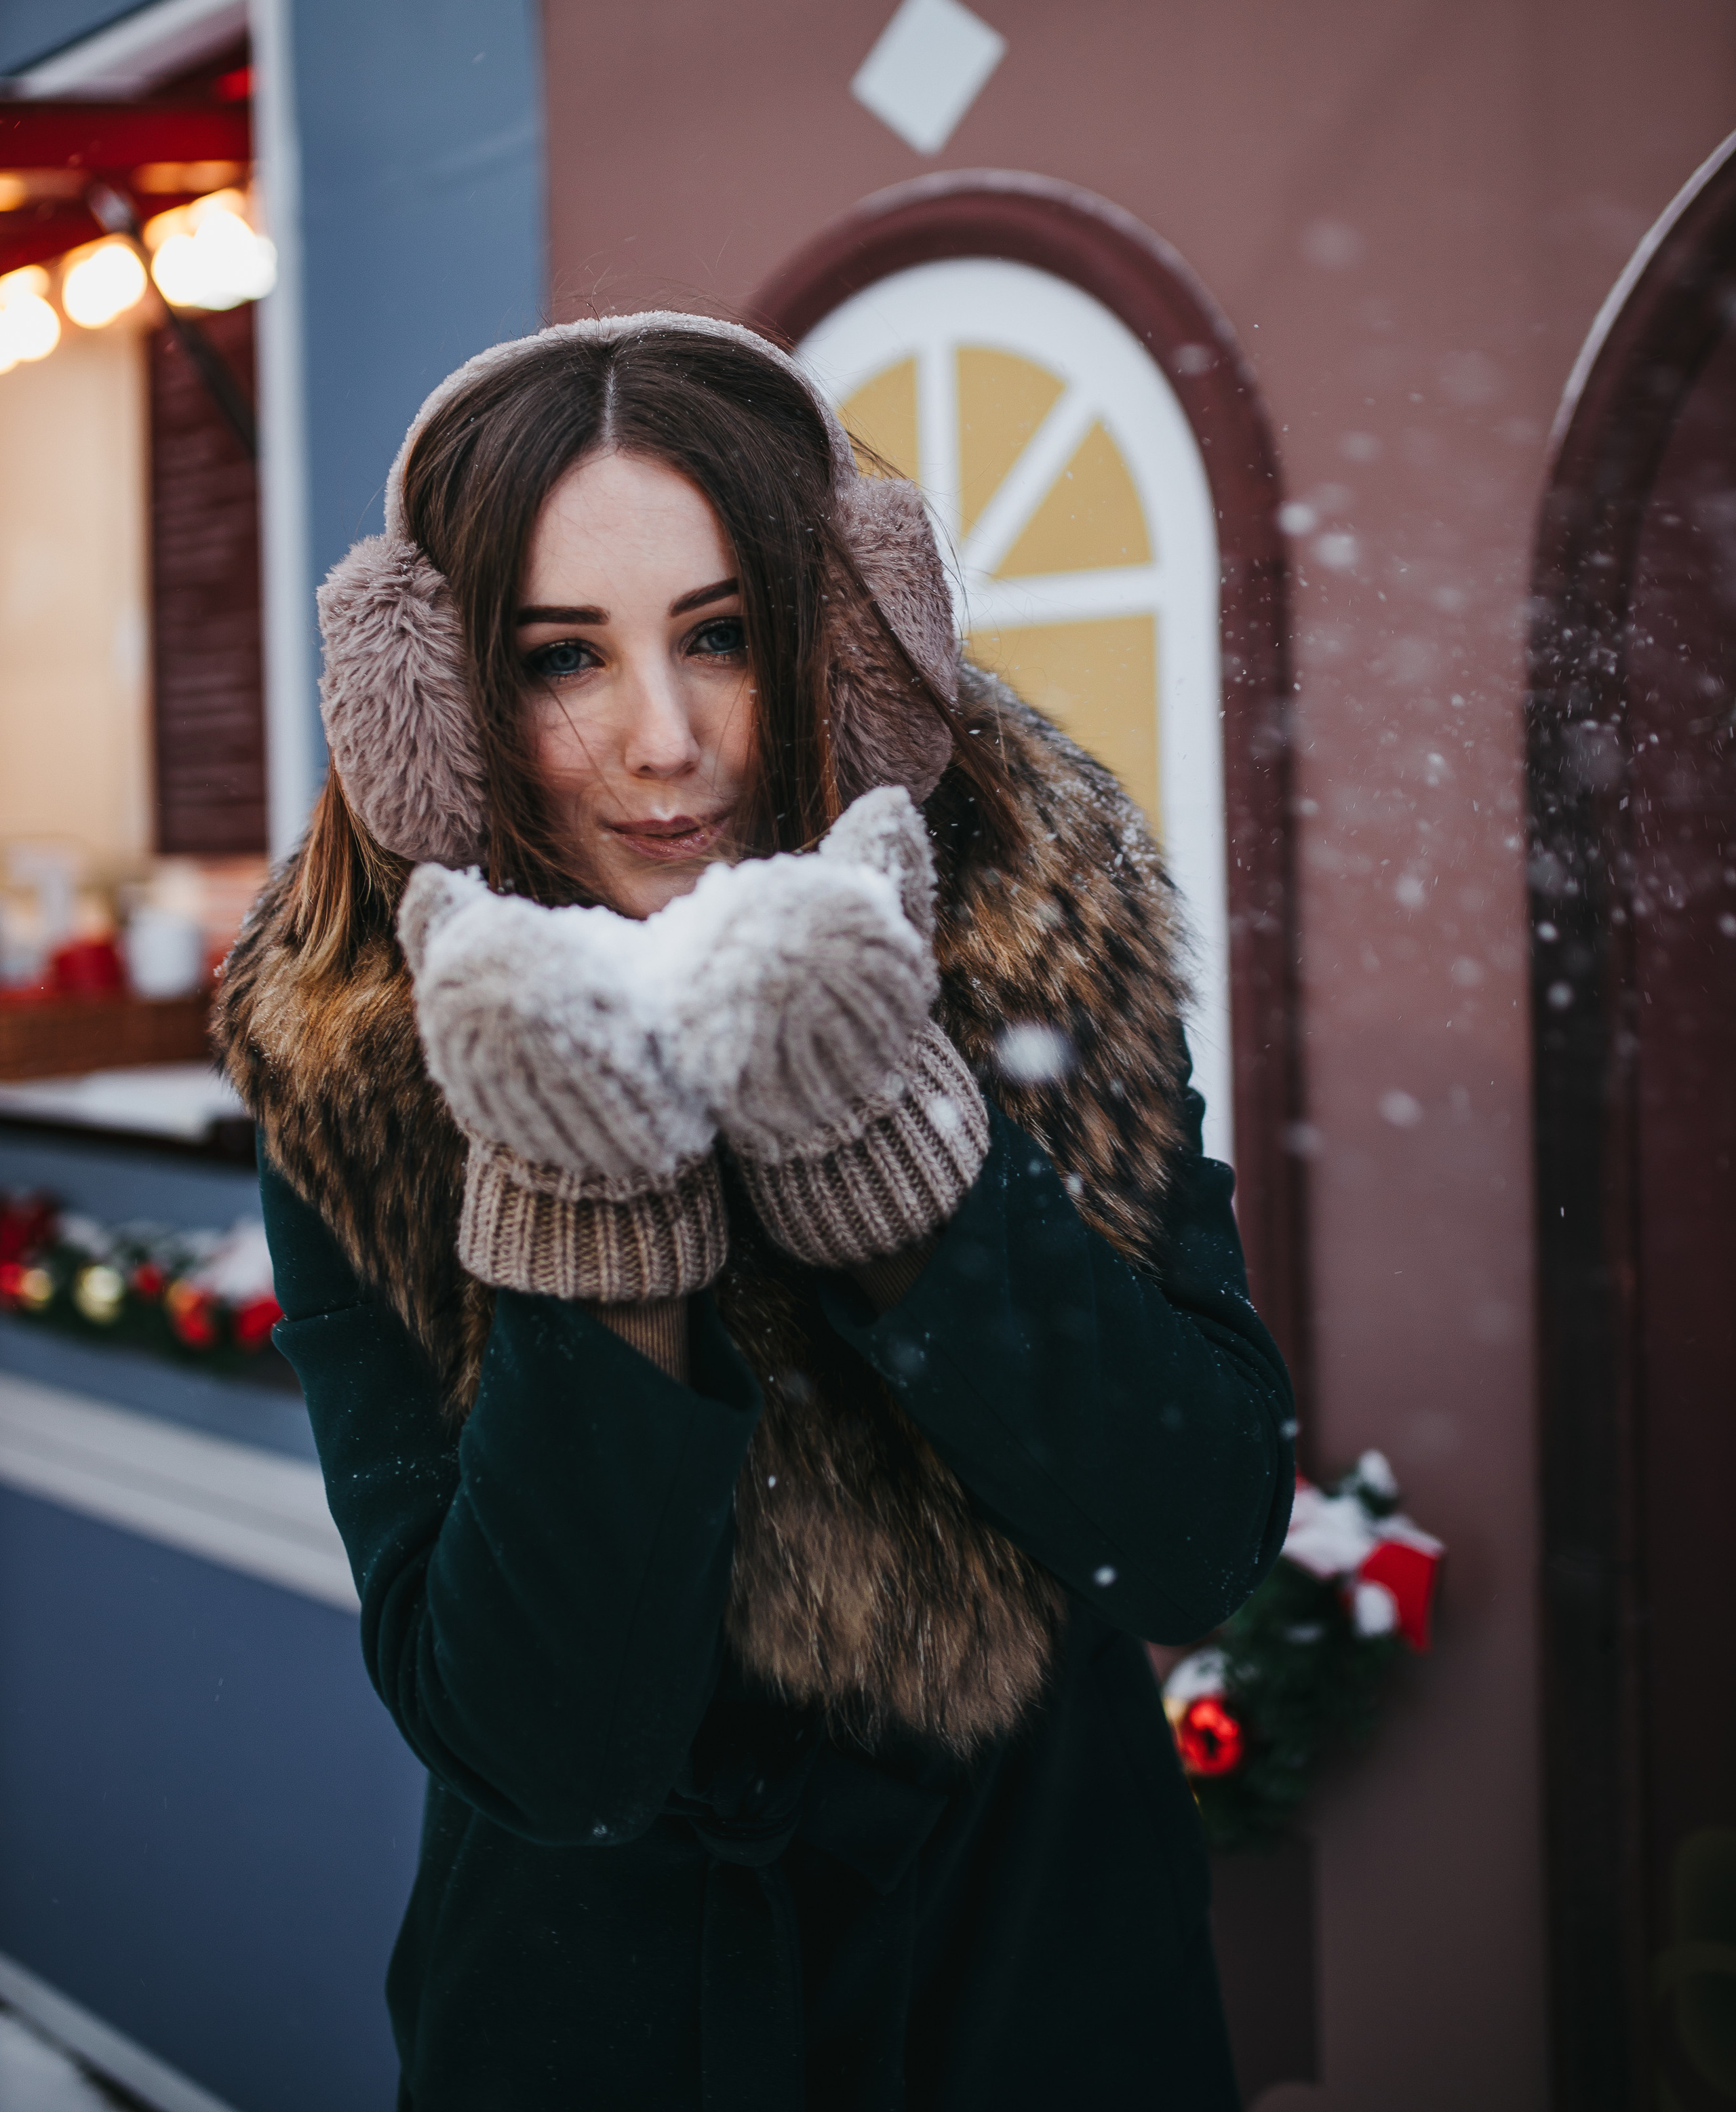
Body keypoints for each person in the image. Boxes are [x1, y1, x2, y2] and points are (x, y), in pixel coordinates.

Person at [215, 311, 1294, 2112]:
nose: (665, 742)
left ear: (843, 641)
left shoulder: (1035, 952)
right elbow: (552, 1750)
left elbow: (1189, 1537)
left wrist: (893, 1162)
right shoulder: (371, 1058)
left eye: (720, 636)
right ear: (442, 700)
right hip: (594, 2032)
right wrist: (594, 1223)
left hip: (1039, 1993)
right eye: (565, 657)